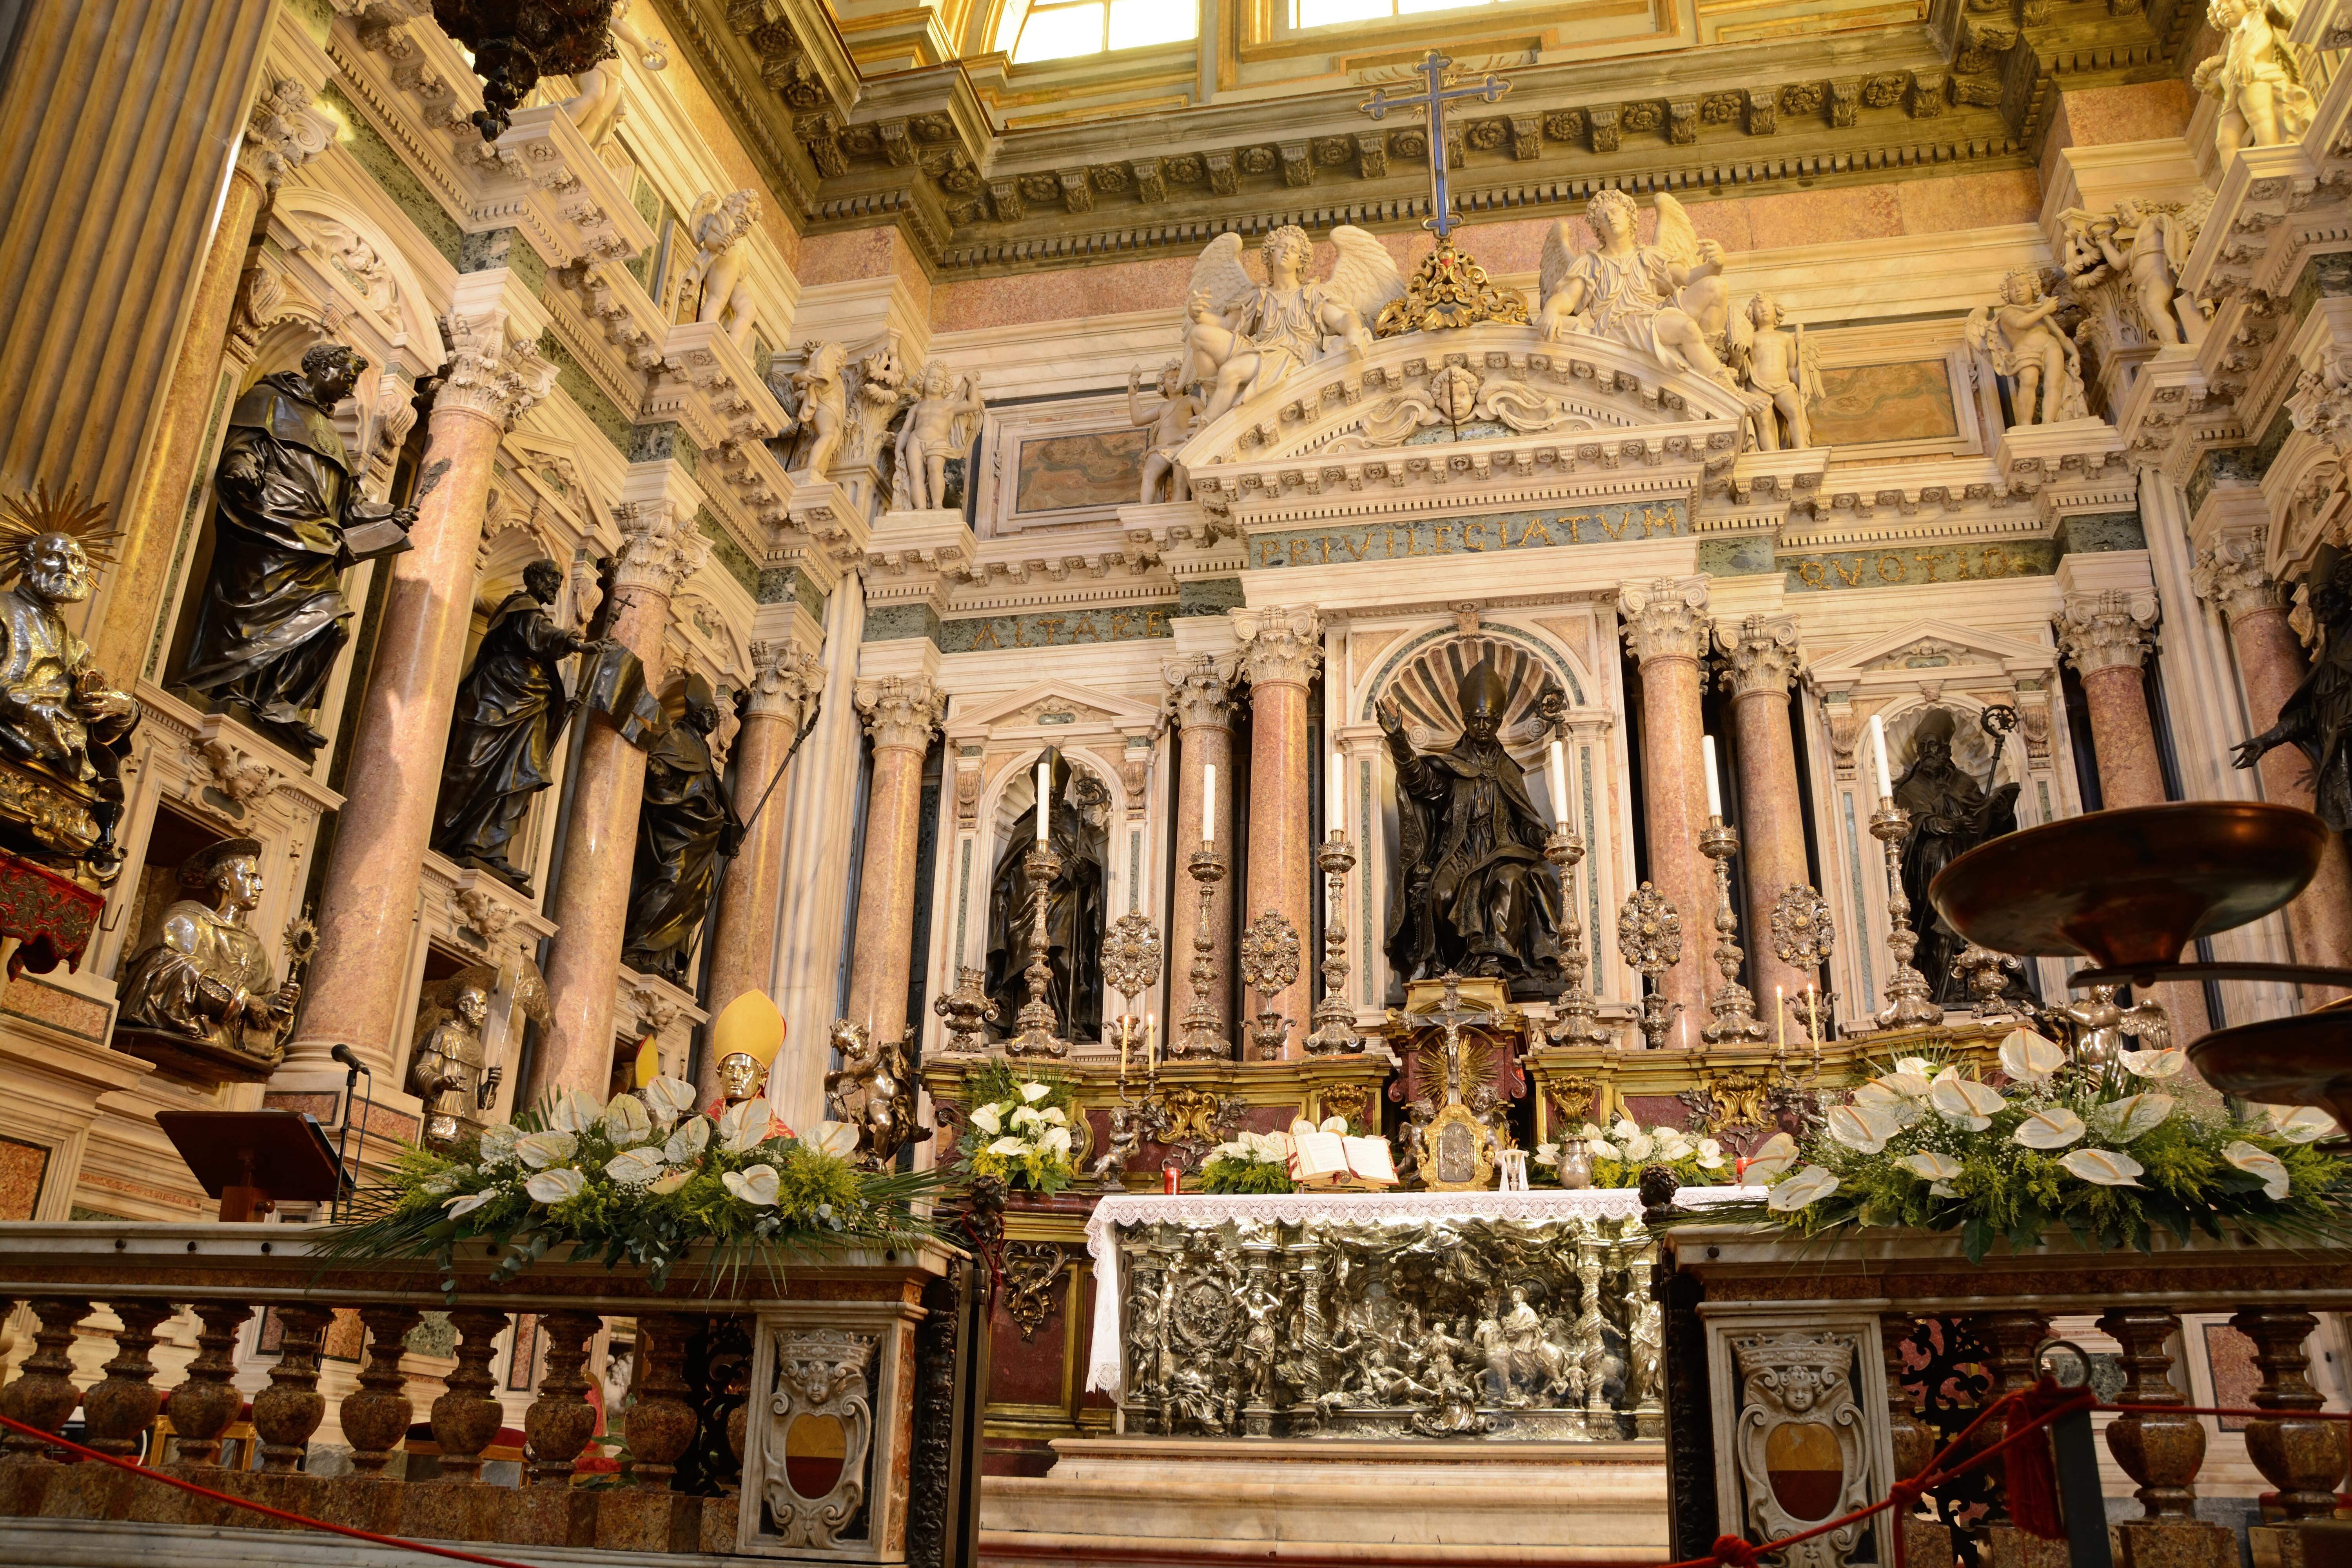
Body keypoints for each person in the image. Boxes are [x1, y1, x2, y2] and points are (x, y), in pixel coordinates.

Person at [176, 344, 414, 753]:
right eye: (344, 377)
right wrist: (241, 469)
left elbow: (349, 504)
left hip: (317, 541)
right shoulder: (268, 399)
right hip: (269, 529)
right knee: (250, 616)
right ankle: (232, 685)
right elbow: (242, 448)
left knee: (334, 626)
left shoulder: (333, 436)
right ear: (320, 368)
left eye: (353, 383)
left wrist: (390, 515)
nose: (347, 389)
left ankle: (276, 701)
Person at [1378, 655, 1563, 996]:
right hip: (1460, 850)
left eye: (1490, 720)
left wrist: (1547, 837)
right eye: (1476, 720)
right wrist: (1398, 740)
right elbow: (1417, 780)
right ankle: (1445, 970)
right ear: (1465, 719)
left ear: (1499, 720)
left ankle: (1493, 958)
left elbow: (1526, 822)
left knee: (1509, 880)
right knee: (1441, 892)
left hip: (1503, 851)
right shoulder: (1453, 766)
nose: (1483, 726)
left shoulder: (1509, 770)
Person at [432, 560, 601, 896]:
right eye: (552, 578)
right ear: (534, 578)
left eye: (559, 580)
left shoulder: (532, 617)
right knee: (476, 768)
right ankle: (460, 837)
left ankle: (492, 848)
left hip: (530, 707)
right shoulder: (520, 608)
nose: (556, 585)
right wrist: (577, 644)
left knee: (523, 777)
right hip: (497, 699)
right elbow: (538, 633)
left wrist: (562, 704)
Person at [117, 838, 298, 1061]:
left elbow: (261, 1002)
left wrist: (278, 1004)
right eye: (251, 877)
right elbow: (169, 971)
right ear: (224, 882)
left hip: (223, 1048)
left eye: (260, 879)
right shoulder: (186, 919)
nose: (260, 887)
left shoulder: (254, 945)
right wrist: (244, 1000)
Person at [1892, 710, 2021, 1006]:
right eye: (1924, 747)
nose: (1929, 752)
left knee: (1978, 910)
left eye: (1935, 746)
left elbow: (1982, 821)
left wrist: (1996, 812)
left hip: (1967, 858)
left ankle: (1984, 980)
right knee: (1942, 918)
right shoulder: (1911, 788)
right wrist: (1948, 824)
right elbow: (1916, 822)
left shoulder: (1963, 782)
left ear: (1947, 750)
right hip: (1933, 860)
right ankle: (1946, 988)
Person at [620, 678, 743, 983]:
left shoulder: (702, 748)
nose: (713, 718)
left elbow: (713, 792)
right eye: (708, 711)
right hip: (676, 830)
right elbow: (659, 775)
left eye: (715, 714)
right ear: (692, 713)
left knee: (694, 894)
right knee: (668, 880)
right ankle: (638, 945)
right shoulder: (674, 738)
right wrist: (669, 781)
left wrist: (727, 832)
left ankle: (661, 958)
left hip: (701, 836)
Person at [2235, 555, 2352, 828]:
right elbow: (2311, 712)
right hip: (2338, 756)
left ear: (2344, 597)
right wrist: (2268, 739)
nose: (2320, 605)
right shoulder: (2328, 656)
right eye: (2314, 601)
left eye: (2326, 596)